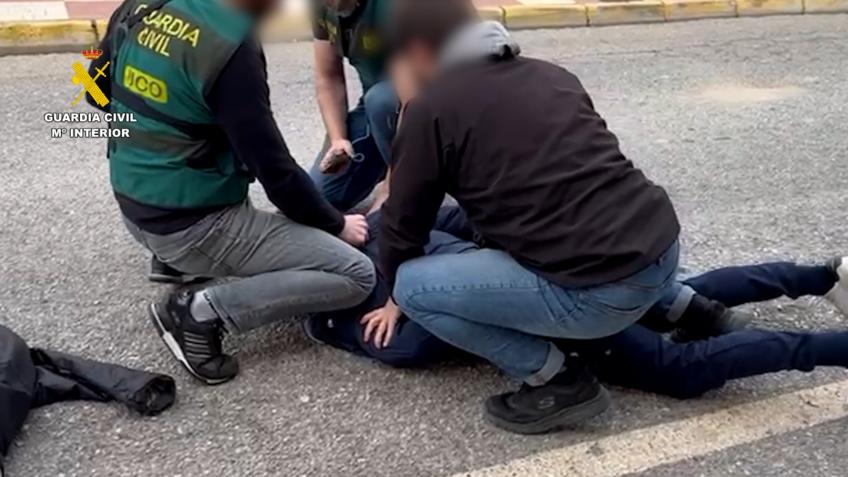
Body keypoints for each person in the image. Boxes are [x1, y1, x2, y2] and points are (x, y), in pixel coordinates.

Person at [375, 0, 683, 434]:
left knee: (412, 286)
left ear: (419, 50)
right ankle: (690, 307)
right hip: (663, 250)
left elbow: (403, 226)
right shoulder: (552, 75)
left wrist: (394, 294)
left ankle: (557, 380)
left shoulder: (432, 109)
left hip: (602, 294)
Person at [86, 0, 376, 385]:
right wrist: (336, 224)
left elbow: (95, 91)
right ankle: (198, 313)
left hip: (134, 207)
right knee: (356, 274)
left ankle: (173, 261)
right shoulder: (229, 46)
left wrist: (164, 134)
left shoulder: (143, 5)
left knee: (203, 144)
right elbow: (276, 173)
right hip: (190, 229)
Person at [305, 205, 848, 402]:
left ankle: (833, 341)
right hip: (564, 271)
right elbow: (464, 219)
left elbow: (416, 345)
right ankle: (823, 276)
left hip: (548, 307)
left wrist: (395, 299)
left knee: (679, 368)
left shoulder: (360, 278)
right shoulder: (380, 225)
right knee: (679, 296)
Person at [310, 0, 399, 211]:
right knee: (318, 198)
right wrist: (338, 139)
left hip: (428, 106)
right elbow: (328, 77)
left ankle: (413, 176)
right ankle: (384, 158)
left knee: (381, 100)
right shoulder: (321, 5)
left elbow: (415, 92)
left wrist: (391, 189)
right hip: (377, 111)